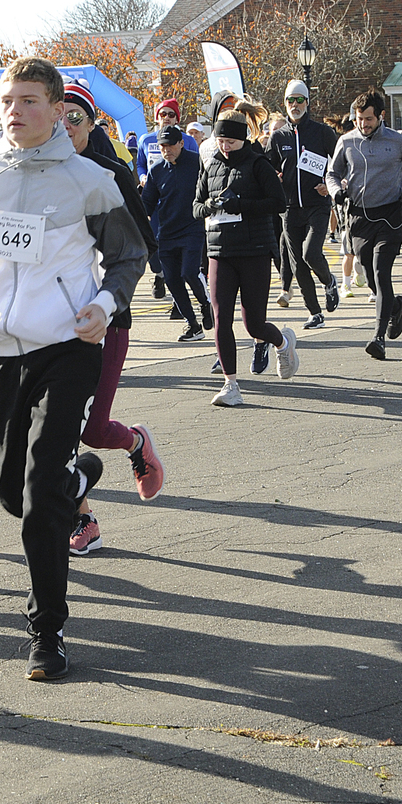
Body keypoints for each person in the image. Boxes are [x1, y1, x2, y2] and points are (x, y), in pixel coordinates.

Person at [0, 56, 147, 680]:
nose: (15, 111)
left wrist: (105, 305)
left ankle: (47, 631)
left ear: (58, 109)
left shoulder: (90, 179)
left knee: (37, 500)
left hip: (67, 347)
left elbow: (128, 254)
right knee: (12, 491)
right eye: (8, 99)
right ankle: (78, 481)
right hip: (1, 352)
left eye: (30, 100)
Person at [58, 76, 165, 558]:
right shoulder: (23, 175)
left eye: (74, 117)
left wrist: (109, 298)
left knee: (93, 431)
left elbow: (139, 245)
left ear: (91, 123)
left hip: (104, 318)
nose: (63, 125)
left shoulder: (109, 173)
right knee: (52, 430)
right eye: (55, 113)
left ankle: (136, 442)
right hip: (45, 325)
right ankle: (85, 520)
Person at [194, 105, 298, 407]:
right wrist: (210, 205)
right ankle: (231, 384)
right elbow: (196, 206)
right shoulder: (210, 164)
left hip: (253, 251)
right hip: (219, 251)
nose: (225, 148)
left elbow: (278, 202)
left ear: (243, 139)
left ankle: (282, 342)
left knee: (254, 325)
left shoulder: (258, 164)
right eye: (221, 142)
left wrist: (241, 204)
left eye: (231, 142)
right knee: (220, 316)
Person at [326, 91, 402, 359]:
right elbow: (332, 173)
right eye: (359, 119)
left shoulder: (398, 140)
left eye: (369, 119)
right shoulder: (347, 141)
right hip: (359, 217)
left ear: (380, 116)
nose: (363, 124)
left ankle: (378, 338)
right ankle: (395, 305)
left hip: (391, 215)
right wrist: (336, 190)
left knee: (382, 273)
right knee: (370, 278)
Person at [268, 80, 340, 329]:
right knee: (297, 262)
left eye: (300, 100)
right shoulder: (278, 137)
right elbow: (268, 168)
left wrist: (328, 183)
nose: (295, 105)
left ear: (307, 102)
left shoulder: (322, 132)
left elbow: (340, 162)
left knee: (311, 254)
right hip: (289, 208)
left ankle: (329, 281)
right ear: (285, 103)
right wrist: (273, 179)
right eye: (291, 100)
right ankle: (315, 312)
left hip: (317, 204)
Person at [142, 124, 213, 340]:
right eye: (162, 146)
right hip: (167, 232)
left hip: (192, 227)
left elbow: (210, 187)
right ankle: (192, 325)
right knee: (172, 280)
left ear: (181, 143)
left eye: (171, 145)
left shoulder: (196, 162)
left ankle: (205, 304)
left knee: (189, 272)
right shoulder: (157, 170)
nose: (166, 150)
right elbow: (147, 203)